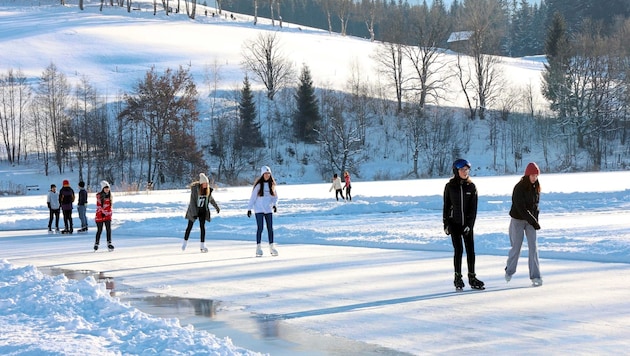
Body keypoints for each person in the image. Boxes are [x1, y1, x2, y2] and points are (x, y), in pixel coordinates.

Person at [443, 159, 484, 290]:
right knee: (458, 250)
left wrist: (469, 225)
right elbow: (446, 206)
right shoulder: (450, 186)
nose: (465, 172)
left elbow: (473, 209)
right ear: (456, 171)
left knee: (471, 251)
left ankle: (472, 277)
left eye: (467, 170)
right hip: (454, 224)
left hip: (466, 226)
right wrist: (446, 223)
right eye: (462, 170)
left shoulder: (471, 187)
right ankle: (457, 278)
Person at [505, 162, 543, 287]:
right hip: (518, 220)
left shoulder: (536, 187)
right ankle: (509, 271)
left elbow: (535, 206)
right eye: (532, 175)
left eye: (536, 175)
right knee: (516, 247)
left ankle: (535, 276)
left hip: (530, 220)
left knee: (533, 248)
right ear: (527, 175)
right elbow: (521, 208)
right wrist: (533, 220)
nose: (534, 178)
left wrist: (535, 219)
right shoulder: (519, 187)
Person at [181, 173, 220, 253]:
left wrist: (216, 207)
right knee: (189, 227)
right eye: (204, 184)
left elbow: (211, 200)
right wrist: (194, 213)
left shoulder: (208, 191)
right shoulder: (195, 190)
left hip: (203, 211)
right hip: (194, 210)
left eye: (207, 184)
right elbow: (192, 202)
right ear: (201, 184)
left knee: (202, 227)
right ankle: (184, 243)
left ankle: (202, 246)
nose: (206, 185)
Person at [247, 165, 279, 257]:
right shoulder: (258, 186)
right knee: (260, 228)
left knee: (270, 229)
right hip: (259, 209)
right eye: (265, 174)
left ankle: (272, 247)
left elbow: (275, 197)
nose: (267, 175)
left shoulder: (272, 185)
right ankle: (258, 247)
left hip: (268, 209)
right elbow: (252, 198)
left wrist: (274, 205)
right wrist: (249, 209)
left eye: (268, 174)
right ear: (262, 174)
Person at [94, 180, 114, 251]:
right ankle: (96, 243)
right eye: (105, 188)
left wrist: (110, 213)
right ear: (103, 188)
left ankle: (109, 243)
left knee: (108, 229)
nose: (107, 189)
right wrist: (102, 212)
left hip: (107, 215)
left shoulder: (110, 196)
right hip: (100, 215)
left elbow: (110, 206)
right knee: (100, 230)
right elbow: (99, 206)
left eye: (108, 188)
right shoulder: (99, 196)